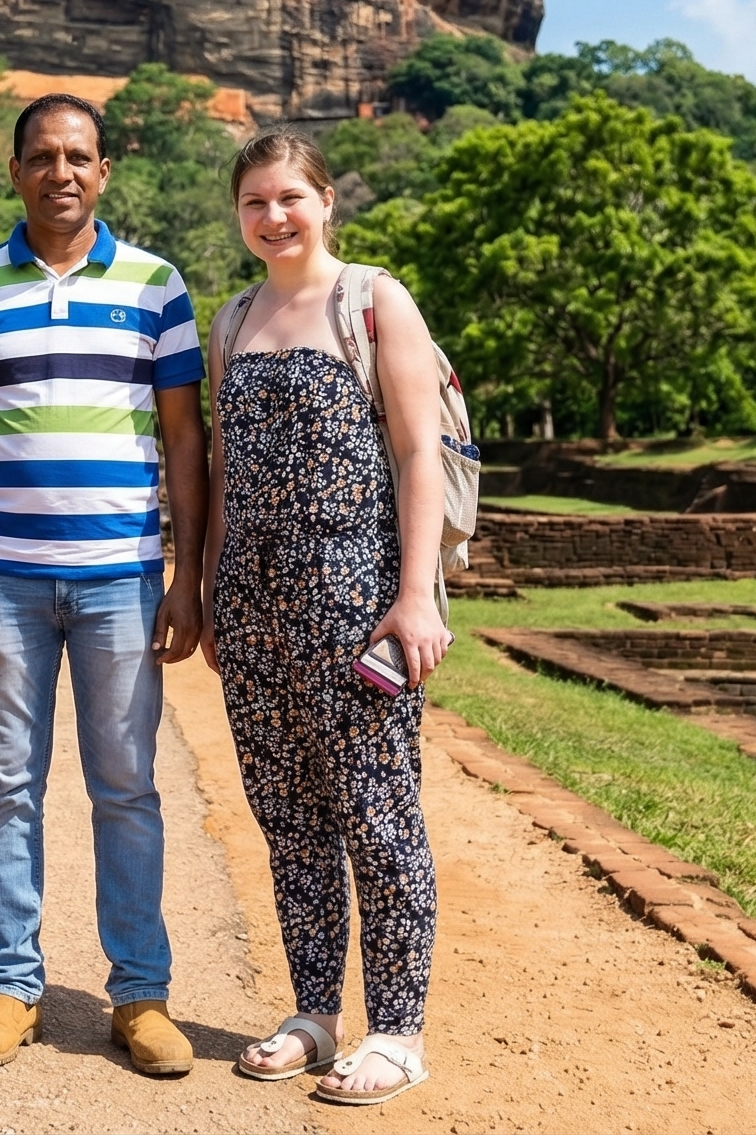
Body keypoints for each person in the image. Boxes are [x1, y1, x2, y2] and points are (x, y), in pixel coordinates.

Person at [0, 92, 210, 1078]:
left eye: (78, 157)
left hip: (121, 581)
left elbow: (182, 438)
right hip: (0, 578)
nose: (61, 173)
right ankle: (12, 986)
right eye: (41, 157)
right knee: (6, 787)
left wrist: (185, 576)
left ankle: (139, 995)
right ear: (14, 171)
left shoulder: (154, 287)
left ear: (103, 172)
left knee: (126, 788)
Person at [203, 133, 450, 1107]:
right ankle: (314, 1011)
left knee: (378, 814)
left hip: (355, 591)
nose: (273, 216)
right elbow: (224, 475)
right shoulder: (231, 319)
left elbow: (417, 454)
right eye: (255, 202)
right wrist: (215, 586)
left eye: (290, 198)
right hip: (255, 601)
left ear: (326, 201)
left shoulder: (371, 301)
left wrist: (414, 593)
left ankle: (396, 1030)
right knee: (290, 818)